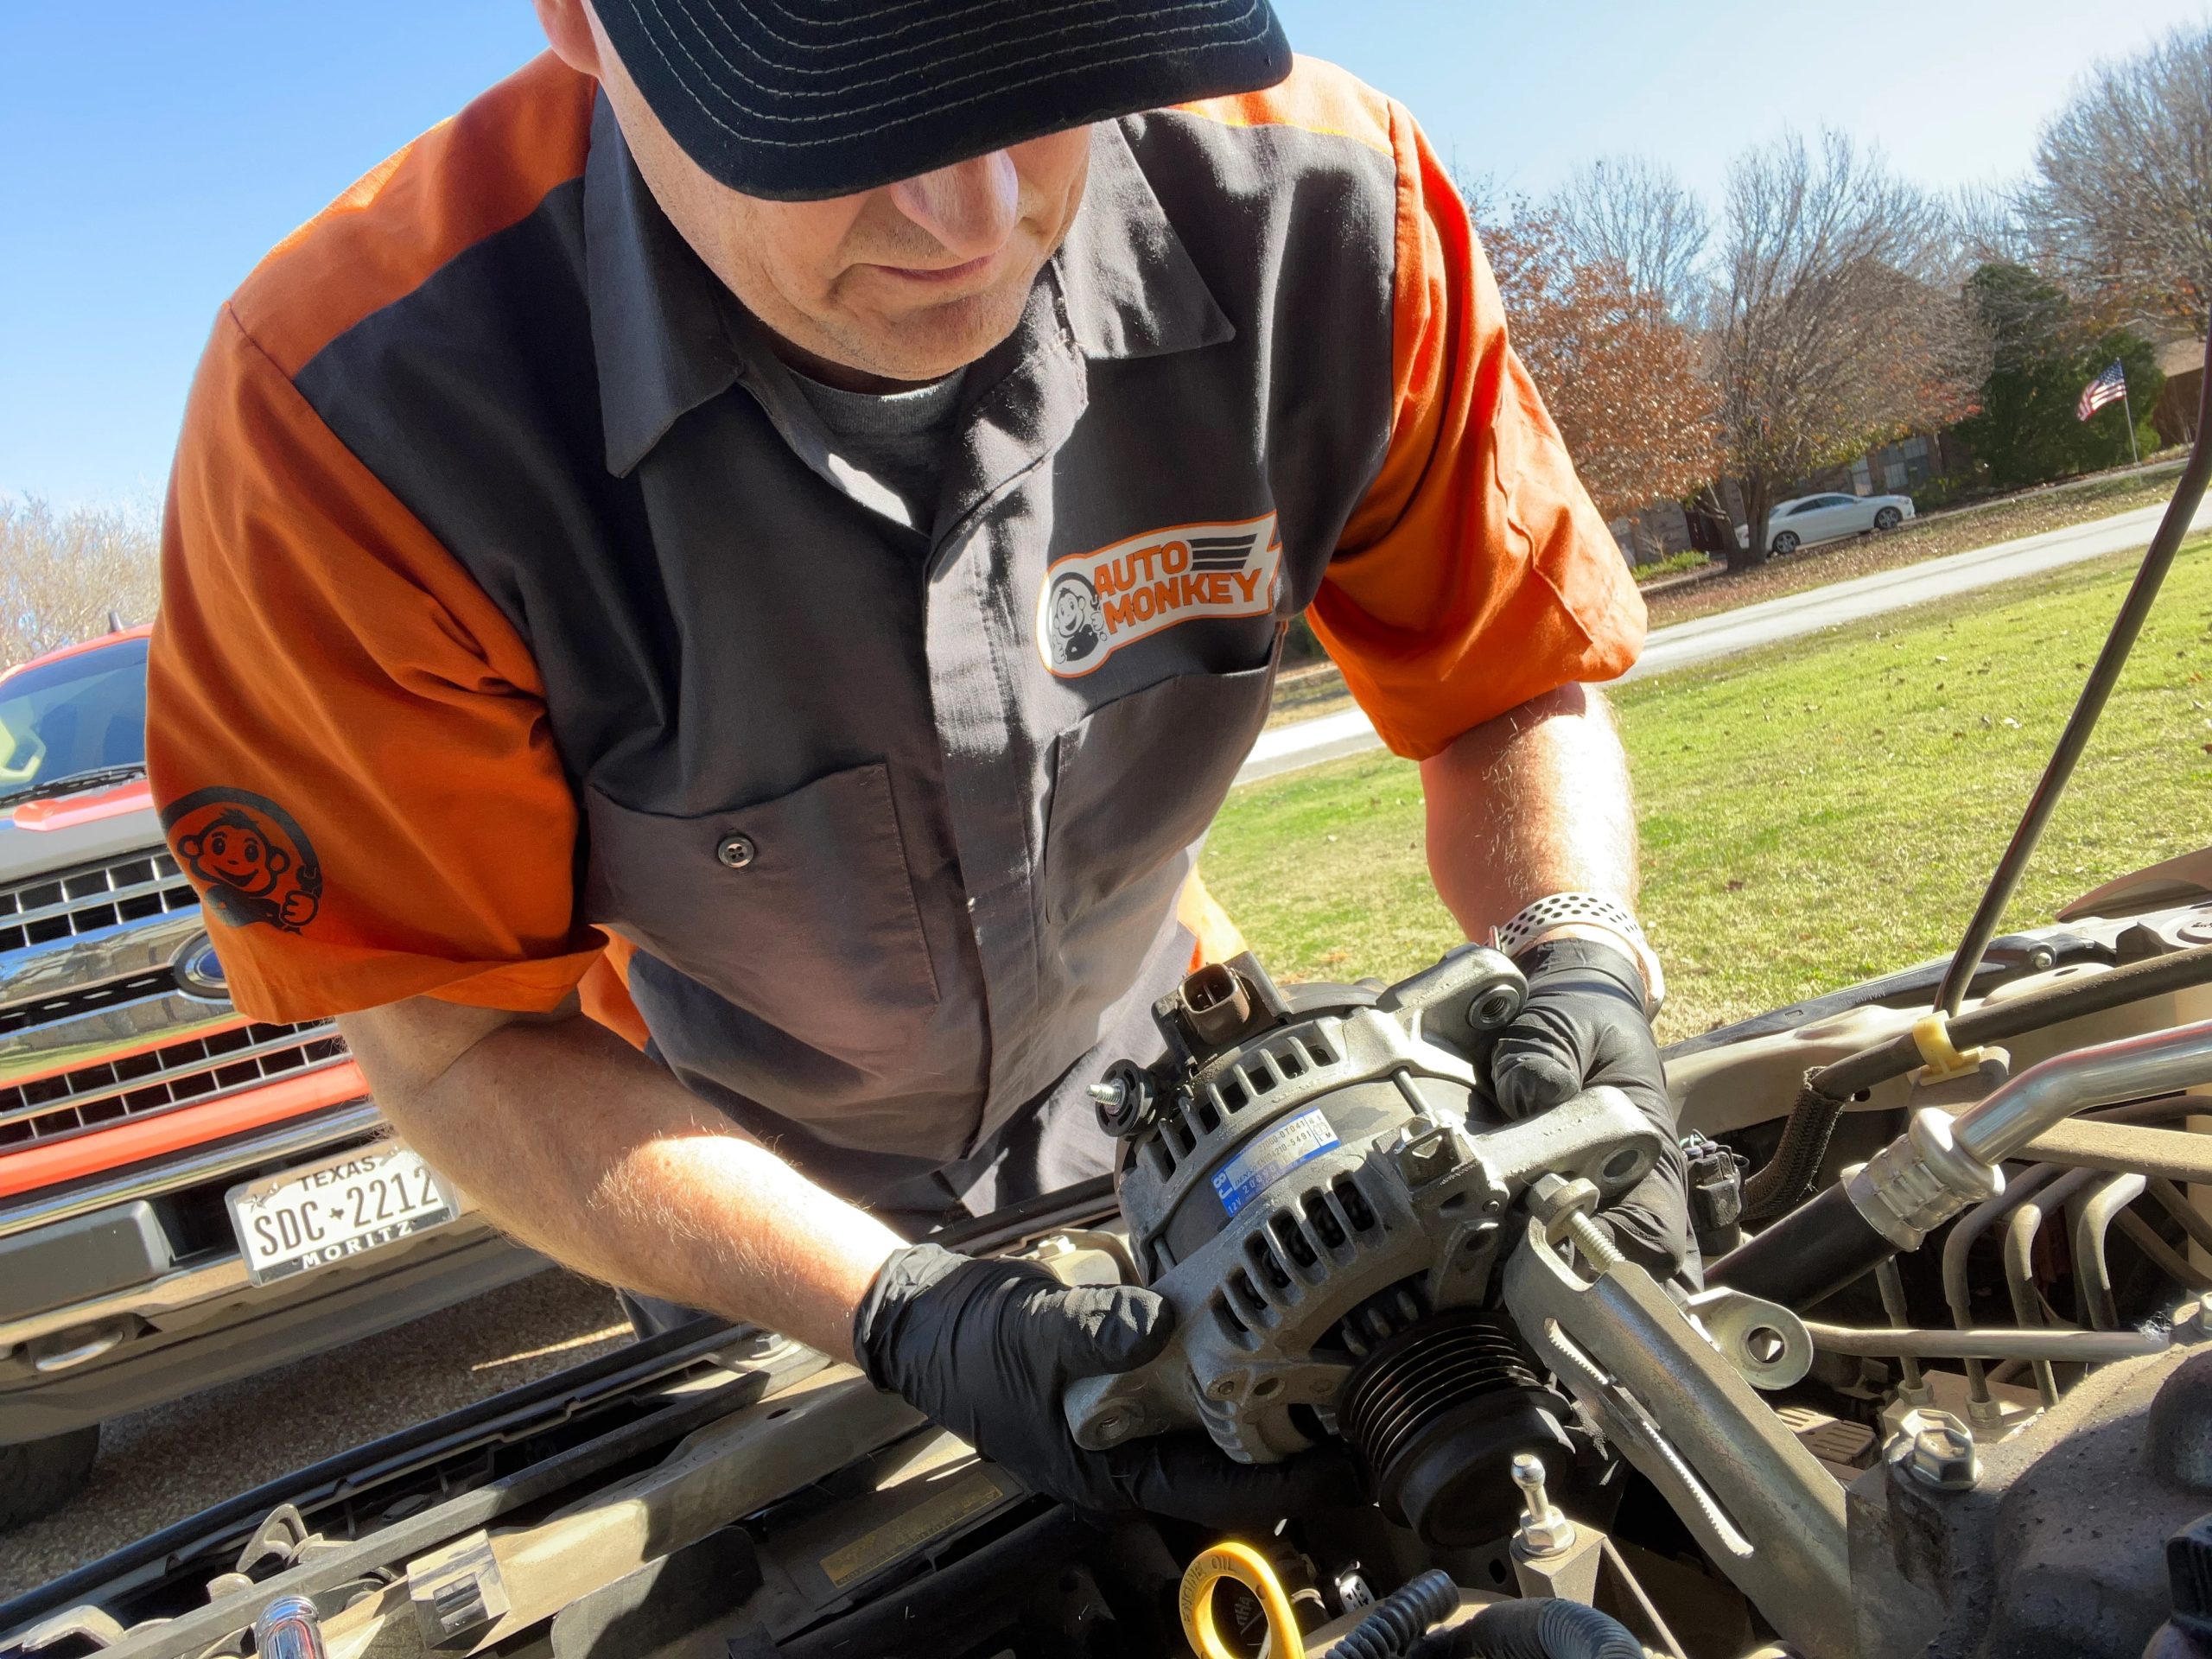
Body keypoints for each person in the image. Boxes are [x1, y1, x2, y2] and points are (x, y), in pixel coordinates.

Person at [148, 0, 1686, 1526]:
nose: (971, 210)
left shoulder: (1331, 212)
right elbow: (454, 1049)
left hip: (1176, 1092)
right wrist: (897, 1311)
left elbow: (1509, 686)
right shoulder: (348, 428)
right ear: (579, 23)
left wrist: (1580, 949)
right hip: (732, 1191)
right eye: (841, 111)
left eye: (1035, 70)